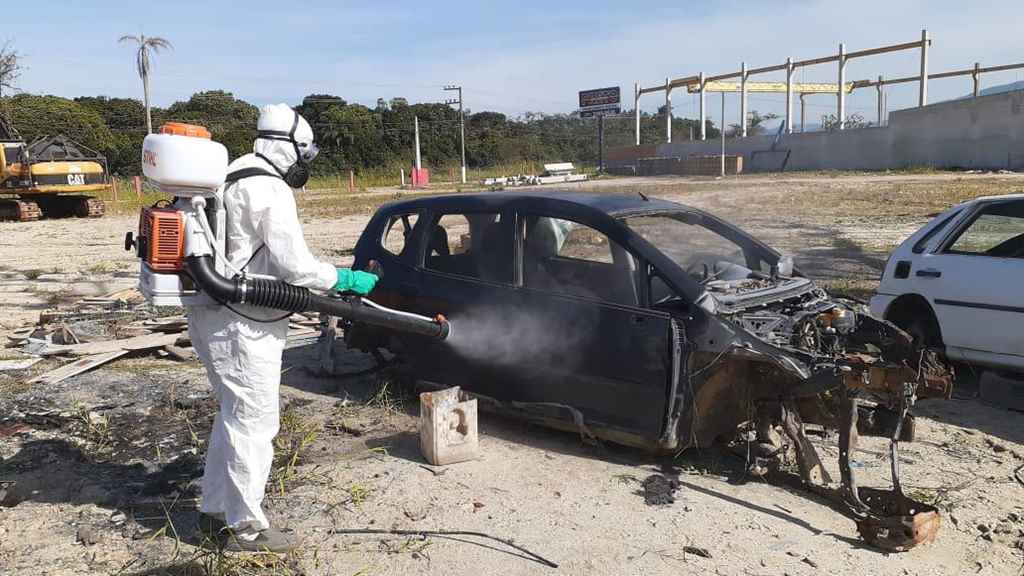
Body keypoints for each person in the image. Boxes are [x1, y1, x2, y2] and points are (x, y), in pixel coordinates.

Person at [187, 104, 377, 552]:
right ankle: (246, 529)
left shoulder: (231, 174)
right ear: (287, 147)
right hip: (243, 325)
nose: (299, 167)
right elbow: (297, 268)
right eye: (301, 156)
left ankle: (215, 512)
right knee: (254, 423)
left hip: (214, 316)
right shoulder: (268, 187)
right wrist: (344, 278)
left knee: (233, 418)